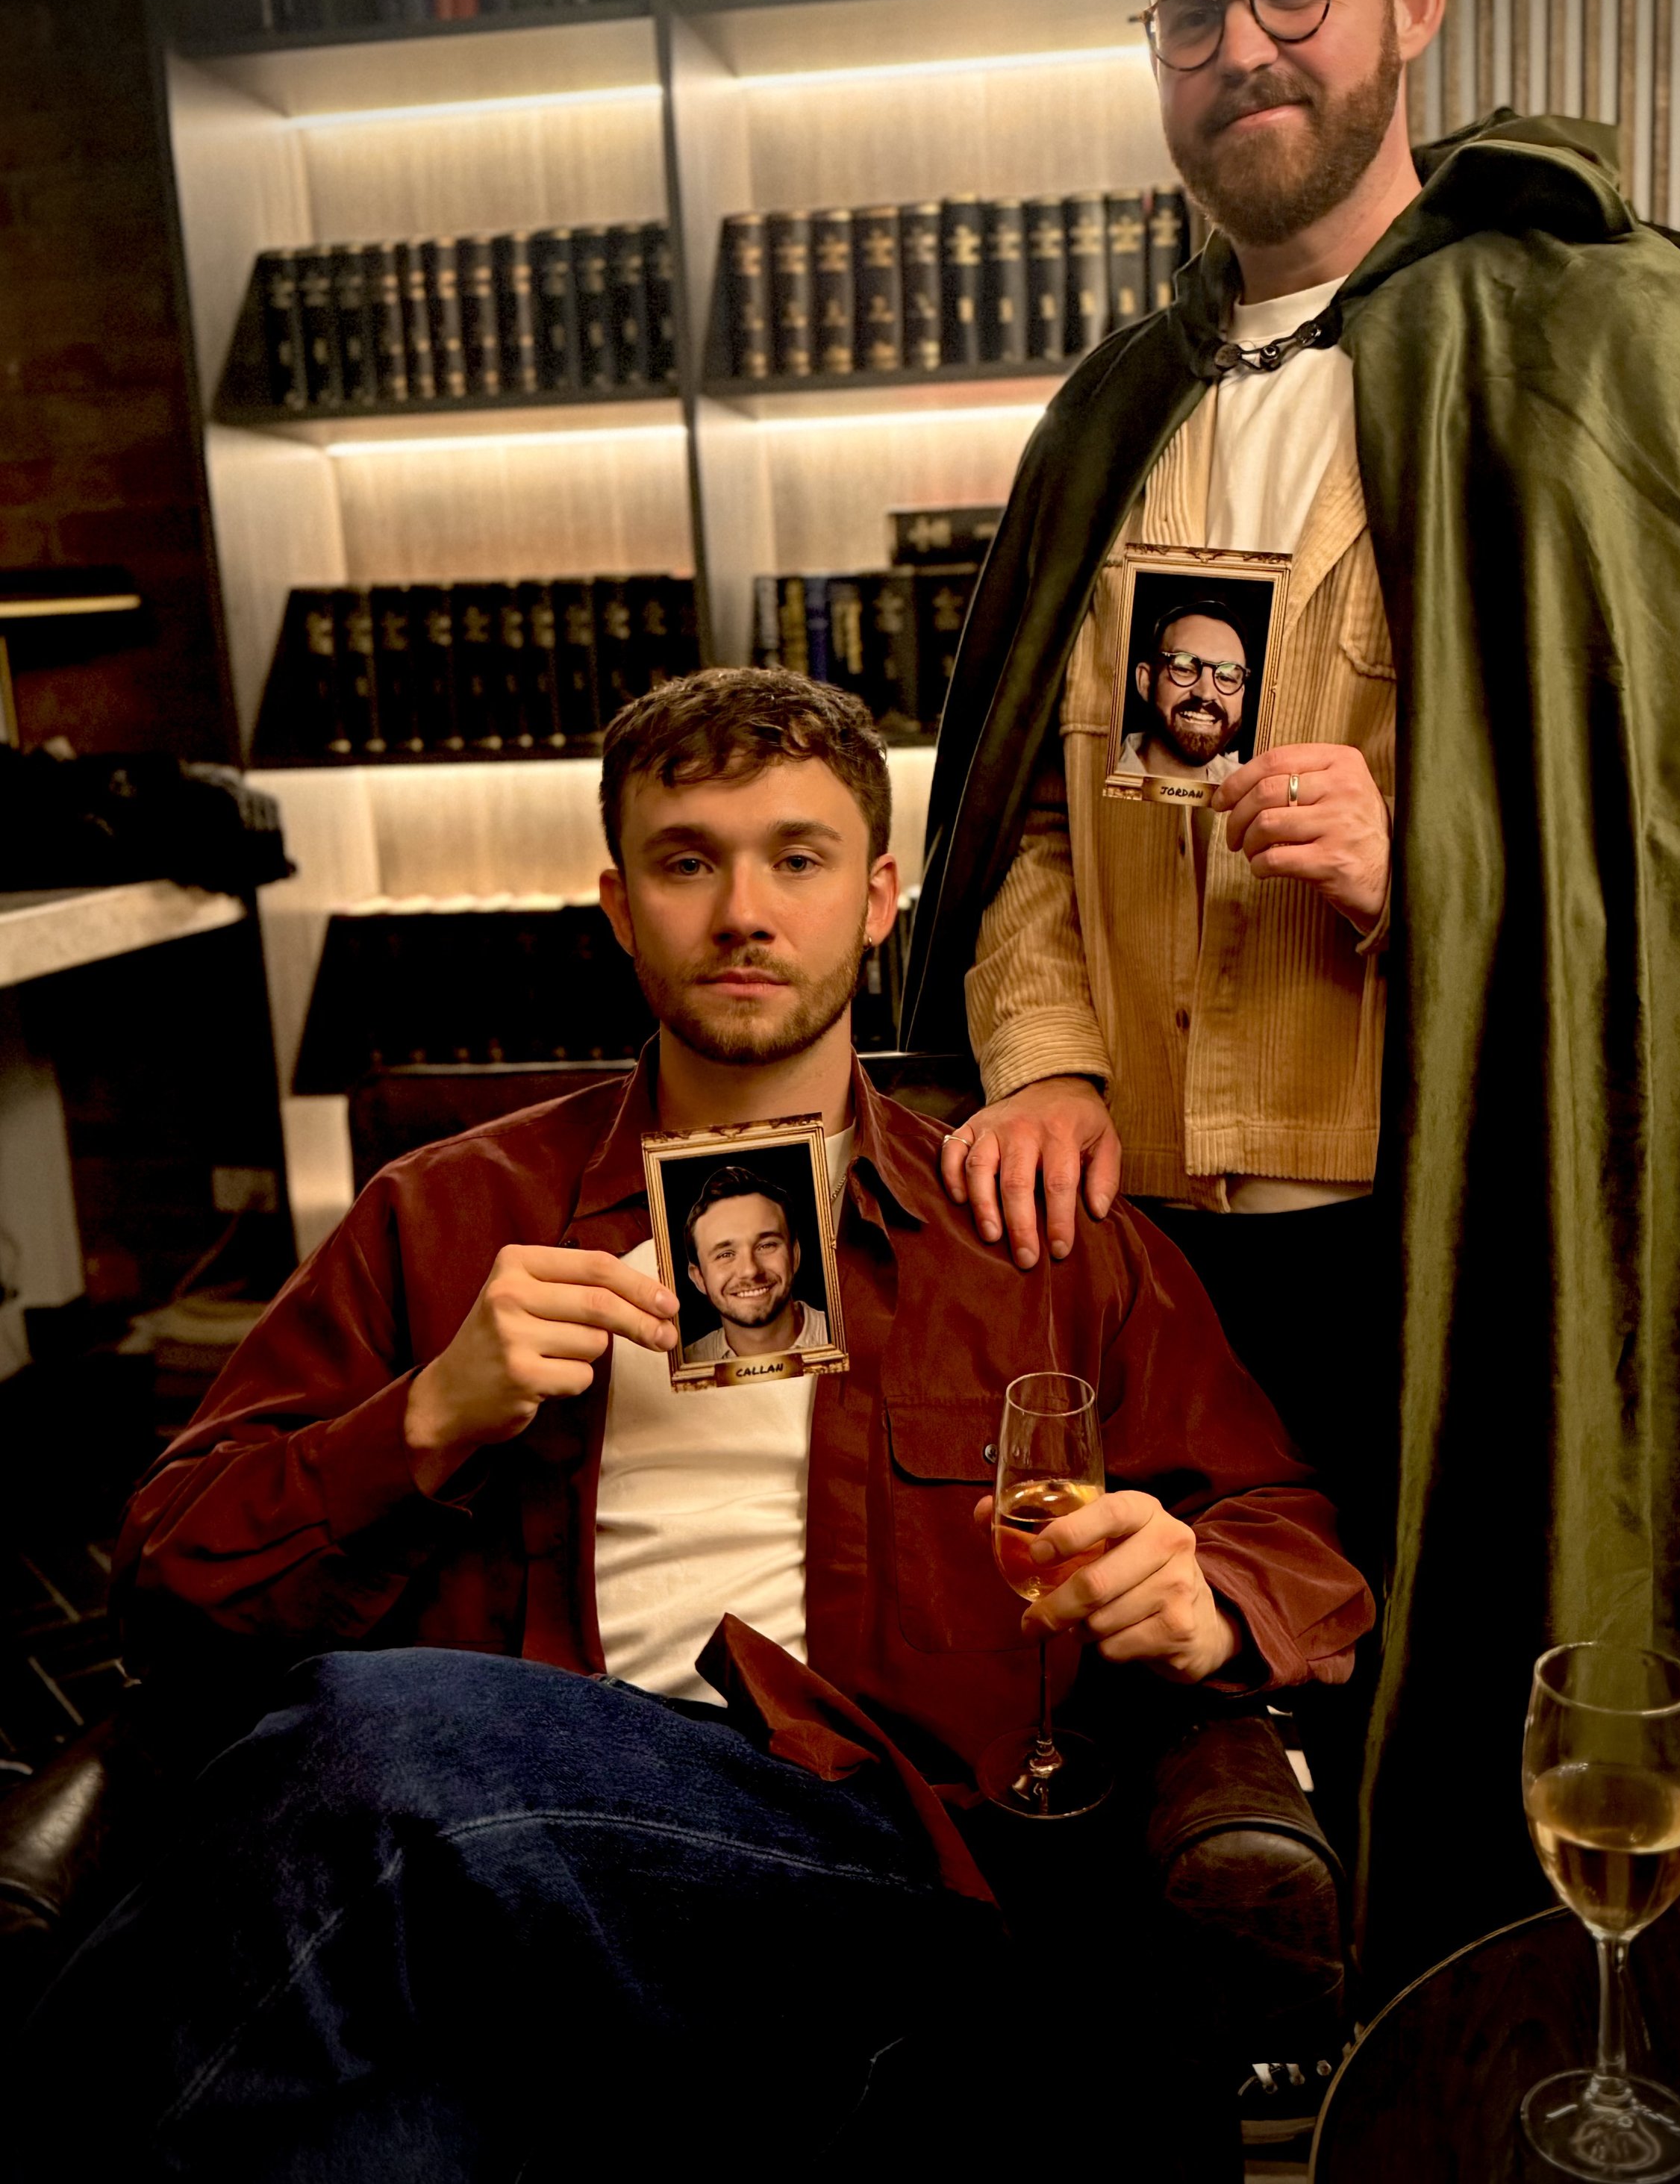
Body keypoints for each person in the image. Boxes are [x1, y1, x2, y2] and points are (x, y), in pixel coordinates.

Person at [902, 0, 1680, 1983]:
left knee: (1465, 1778)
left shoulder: (1595, 339)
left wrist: (1418, 858)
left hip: (1448, 1245)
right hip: (1136, 1263)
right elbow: (1030, 826)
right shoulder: (1105, 419)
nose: (1239, 48)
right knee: (1147, 1790)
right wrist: (1038, 1061)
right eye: (1185, 13)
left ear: (1404, 3)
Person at [18, 670, 1370, 2178]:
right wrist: (426, 1417)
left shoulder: (1028, 1228)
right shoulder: (448, 1214)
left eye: (794, 859)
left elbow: (1284, 1531)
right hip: (497, 1900)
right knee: (358, 2119)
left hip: (877, 1873)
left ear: (876, 899)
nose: (741, 911)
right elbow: (164, 1579)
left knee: (362, 1735)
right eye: (685, 861)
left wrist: (1199, 1588)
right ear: (615, 904)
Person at [679, 1164, 828, 1366]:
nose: (750, 1271)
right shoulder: (684, 1366)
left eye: (766, 1245)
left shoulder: (849, 1337)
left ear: (795, 1254)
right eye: (726, 1254)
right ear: (699, 1278)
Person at [1115, 599, 1251, 781]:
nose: (1206, 694)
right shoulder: (1091, 774)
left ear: (1241, 693)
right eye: (1184, 668)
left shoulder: (1249, 787)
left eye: (1226, 677)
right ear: (1146, 681)